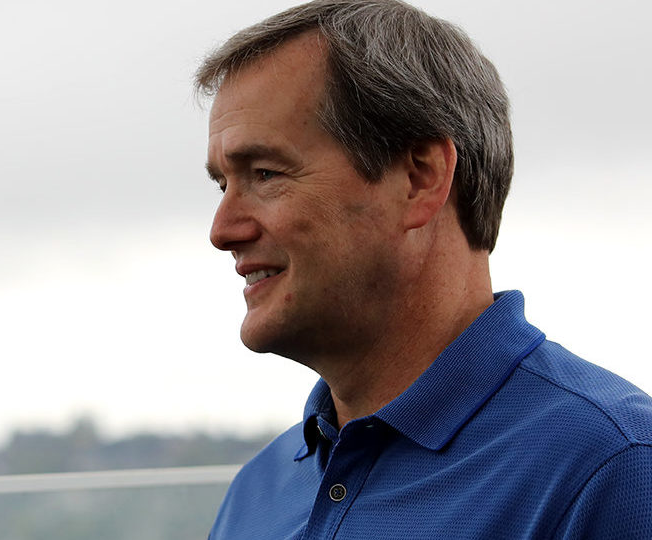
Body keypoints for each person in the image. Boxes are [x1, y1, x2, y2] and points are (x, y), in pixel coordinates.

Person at [196, 0, 652, 538]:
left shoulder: (616, 470)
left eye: (266, 173)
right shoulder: (255, 494)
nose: (222, 229)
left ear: (420, 177)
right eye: (224, 185)